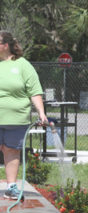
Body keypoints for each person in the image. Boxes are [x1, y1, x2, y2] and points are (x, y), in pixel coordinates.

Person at [0, 31, 48, 200]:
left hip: (16, 119)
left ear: (5, 45)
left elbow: (34, 91)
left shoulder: (22, 65)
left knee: (11, 150)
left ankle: (11, 187)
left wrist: (41, 113)